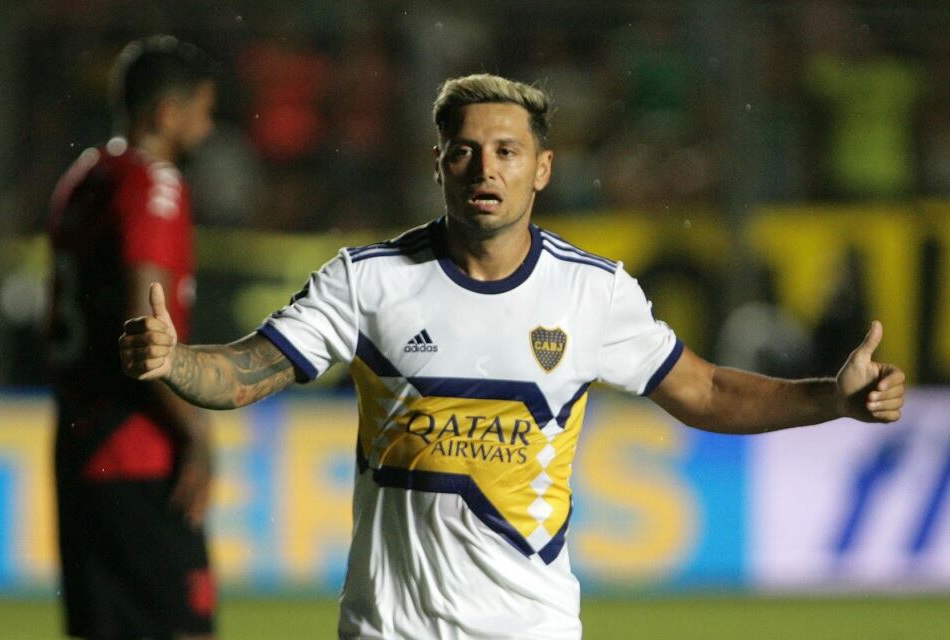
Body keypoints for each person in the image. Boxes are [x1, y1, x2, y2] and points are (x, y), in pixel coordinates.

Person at [119, 74, 905, 640]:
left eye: (506, 150)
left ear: (542, 169)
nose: (485, 169)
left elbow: (707, 391)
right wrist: (174, 362)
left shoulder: (593, 292)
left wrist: (832, 399)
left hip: (530, 627)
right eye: (464, 151)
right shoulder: (368, 281)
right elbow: (249, 370)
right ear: (439, 164)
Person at [49, 35, 218, 640]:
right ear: (167, 113)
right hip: (138, 450)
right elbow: (145, 327)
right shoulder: (155, 183)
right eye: (202, 111)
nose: (208, 127)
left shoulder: (82, 178)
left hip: (79, 446)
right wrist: (195, 433)